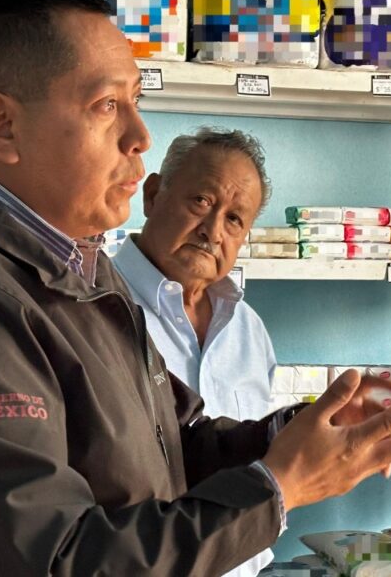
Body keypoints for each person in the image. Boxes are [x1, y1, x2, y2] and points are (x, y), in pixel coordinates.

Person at [0, 0, 391, 576]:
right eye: (107, 105)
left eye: (135, 101)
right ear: (2, 124)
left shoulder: (80, 265)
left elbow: (172, 442)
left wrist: (294, 435)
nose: (139, 136)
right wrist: (277, 488)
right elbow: (57, 560)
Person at [112, 127, 278, 575]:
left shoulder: (249, 330)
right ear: (152, 196)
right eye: (201, 201)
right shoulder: (93, 306)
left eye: (234, 219)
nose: (212, 231)